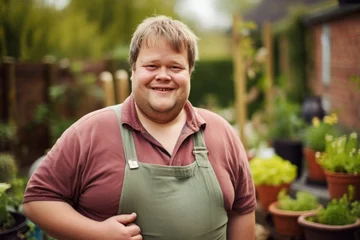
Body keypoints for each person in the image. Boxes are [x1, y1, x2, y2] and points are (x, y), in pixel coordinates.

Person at [23, 15, 256, 240]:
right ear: (133, 70)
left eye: (175, 67)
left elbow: (242, 211)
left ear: (189, 73)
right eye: (152, 65)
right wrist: (97, 234)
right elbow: (37, 201)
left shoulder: (220, 132)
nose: (163, 76)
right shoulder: (91, 132)